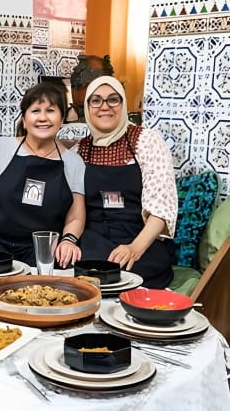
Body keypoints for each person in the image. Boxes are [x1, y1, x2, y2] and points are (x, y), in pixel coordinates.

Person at [0, 82, 85, 268]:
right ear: (24, 118)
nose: (42, 118)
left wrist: (69, 240)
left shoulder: (73, 162)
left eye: (51, 111)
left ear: (62, 120)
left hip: (45, 254)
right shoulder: (0, 147)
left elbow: (76, 214)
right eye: (35, 111)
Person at [75, 75, 177, 288]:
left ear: (123, 104)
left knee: (126, 276)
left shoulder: (146, 141)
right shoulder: (79, 150)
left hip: (140, 241)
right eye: (96, 100)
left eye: (113, 99)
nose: (105, 107)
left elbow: (161, 208)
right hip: (92, 241)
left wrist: (134, 248)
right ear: (87, 107)